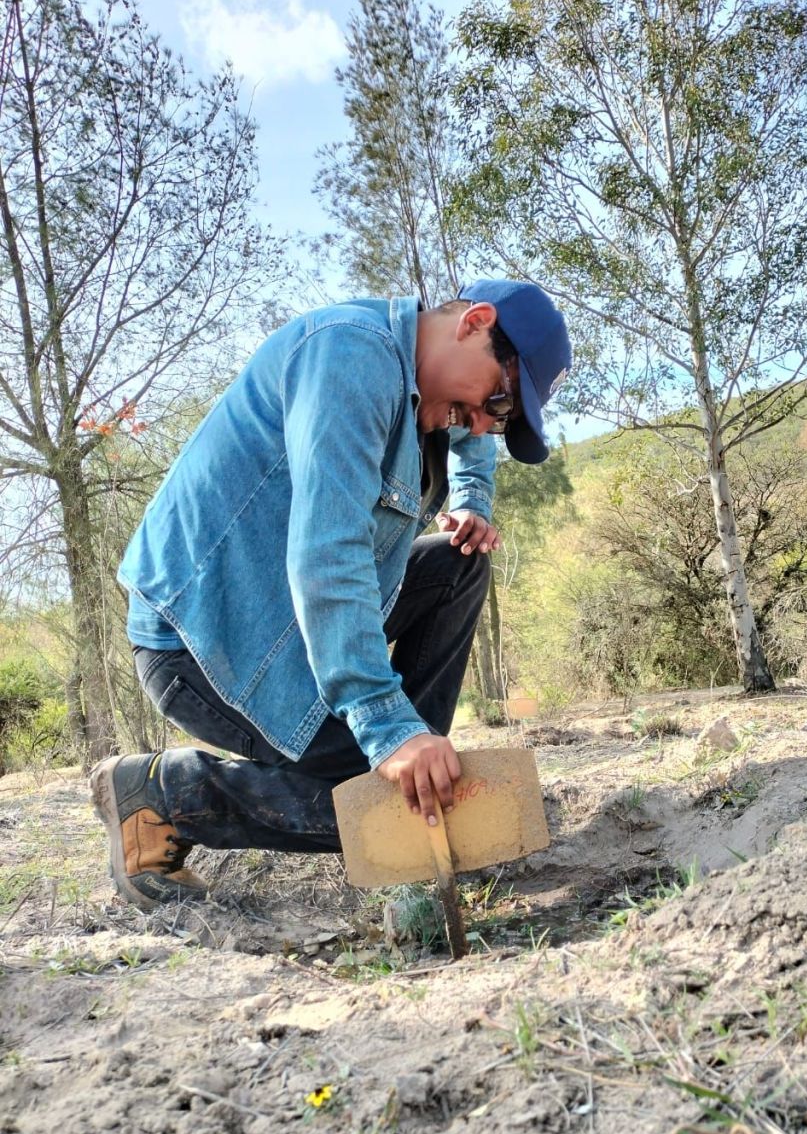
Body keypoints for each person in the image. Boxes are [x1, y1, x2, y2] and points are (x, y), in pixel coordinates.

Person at [91, 278, 572, 911]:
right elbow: (328, 555)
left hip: (294, 625)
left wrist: (471, 500)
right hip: (209, 642)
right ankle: (162, 794)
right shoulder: (351, 355)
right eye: (498, 401)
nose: (484, 423)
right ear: (474, 322)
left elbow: (469, 440)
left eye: (502, 421)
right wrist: (384, 723)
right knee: (375, 802)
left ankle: (412, 765)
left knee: (460, 567)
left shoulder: (427, 380)